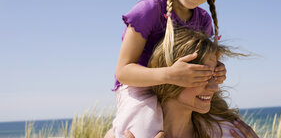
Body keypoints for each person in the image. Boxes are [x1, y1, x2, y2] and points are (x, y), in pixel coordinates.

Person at [112, 0, 230, 137]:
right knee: (146, 129)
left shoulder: (203, 20)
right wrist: (170, 75)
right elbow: (123, 72)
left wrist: (216, 71)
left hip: (181, 88)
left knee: (226, 128)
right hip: (140, 86)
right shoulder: (149, 9)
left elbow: (205, 64)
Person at [105, 28, 258, 138]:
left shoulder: (226, 132)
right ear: (173, 77)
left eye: (213, 76)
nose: (214, 87)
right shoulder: (129, 131)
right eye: (202, 76)